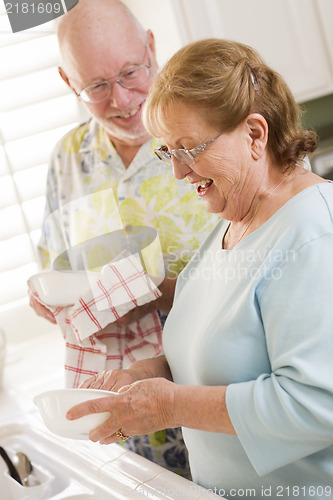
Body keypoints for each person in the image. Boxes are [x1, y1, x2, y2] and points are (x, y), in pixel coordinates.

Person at [65, 39, 333, 499]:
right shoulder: (232, 221)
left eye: (190, 148)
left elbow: (318, 404)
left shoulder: (313, 234)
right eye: (167, 151)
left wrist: (171, 407)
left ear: (254, 134)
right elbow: (228, 355)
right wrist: (144, 376)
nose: (179, 172)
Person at [28, 0, 218, 478]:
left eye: (131, 71)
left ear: (151, 47)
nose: (120, 99)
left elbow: (273, 274)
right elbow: (58, 273)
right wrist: (47, 298)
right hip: (129, 437)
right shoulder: (66, 160)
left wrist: (151, 294)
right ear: (68, 82)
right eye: (95, 86)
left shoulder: (213, 130)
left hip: (219, 410)